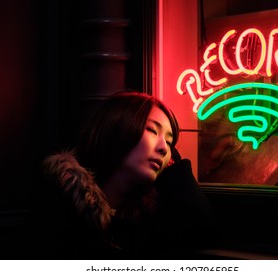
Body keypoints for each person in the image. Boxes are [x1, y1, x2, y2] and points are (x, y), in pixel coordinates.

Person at [27, 92, 215, 259]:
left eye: (169, 141)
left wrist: (175, 165)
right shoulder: (59, 204)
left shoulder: (147, 214)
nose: (164, 148)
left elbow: (201, 229)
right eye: (151, 130)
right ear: (117, 128)